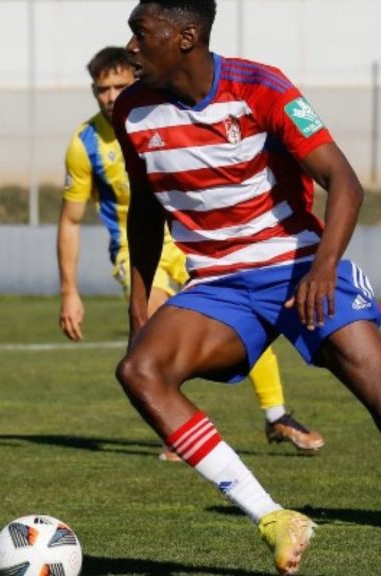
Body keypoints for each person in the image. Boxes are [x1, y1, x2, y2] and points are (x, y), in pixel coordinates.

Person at [111, 1, 381, 574]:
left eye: (141, 33)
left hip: (302, 267)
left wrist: (323, 268)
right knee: (140, 370)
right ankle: (273, 518)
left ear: (186, 37)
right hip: (219, 286)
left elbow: (345, 182)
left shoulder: (260, 87)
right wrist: (140, 308)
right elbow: (143, 212)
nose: (131, 47)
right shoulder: (133, 111)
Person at [57, 47, 323, 457]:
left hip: (197, 241)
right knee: (158, 325)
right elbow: (70, 221)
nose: (110, 97)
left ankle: (276, 416)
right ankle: (176, 426)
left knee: (246, 321)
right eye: (101, 90)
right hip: (139, 251)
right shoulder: (85, 143)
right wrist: (69, 291)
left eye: (118, 87)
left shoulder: (164, 114)